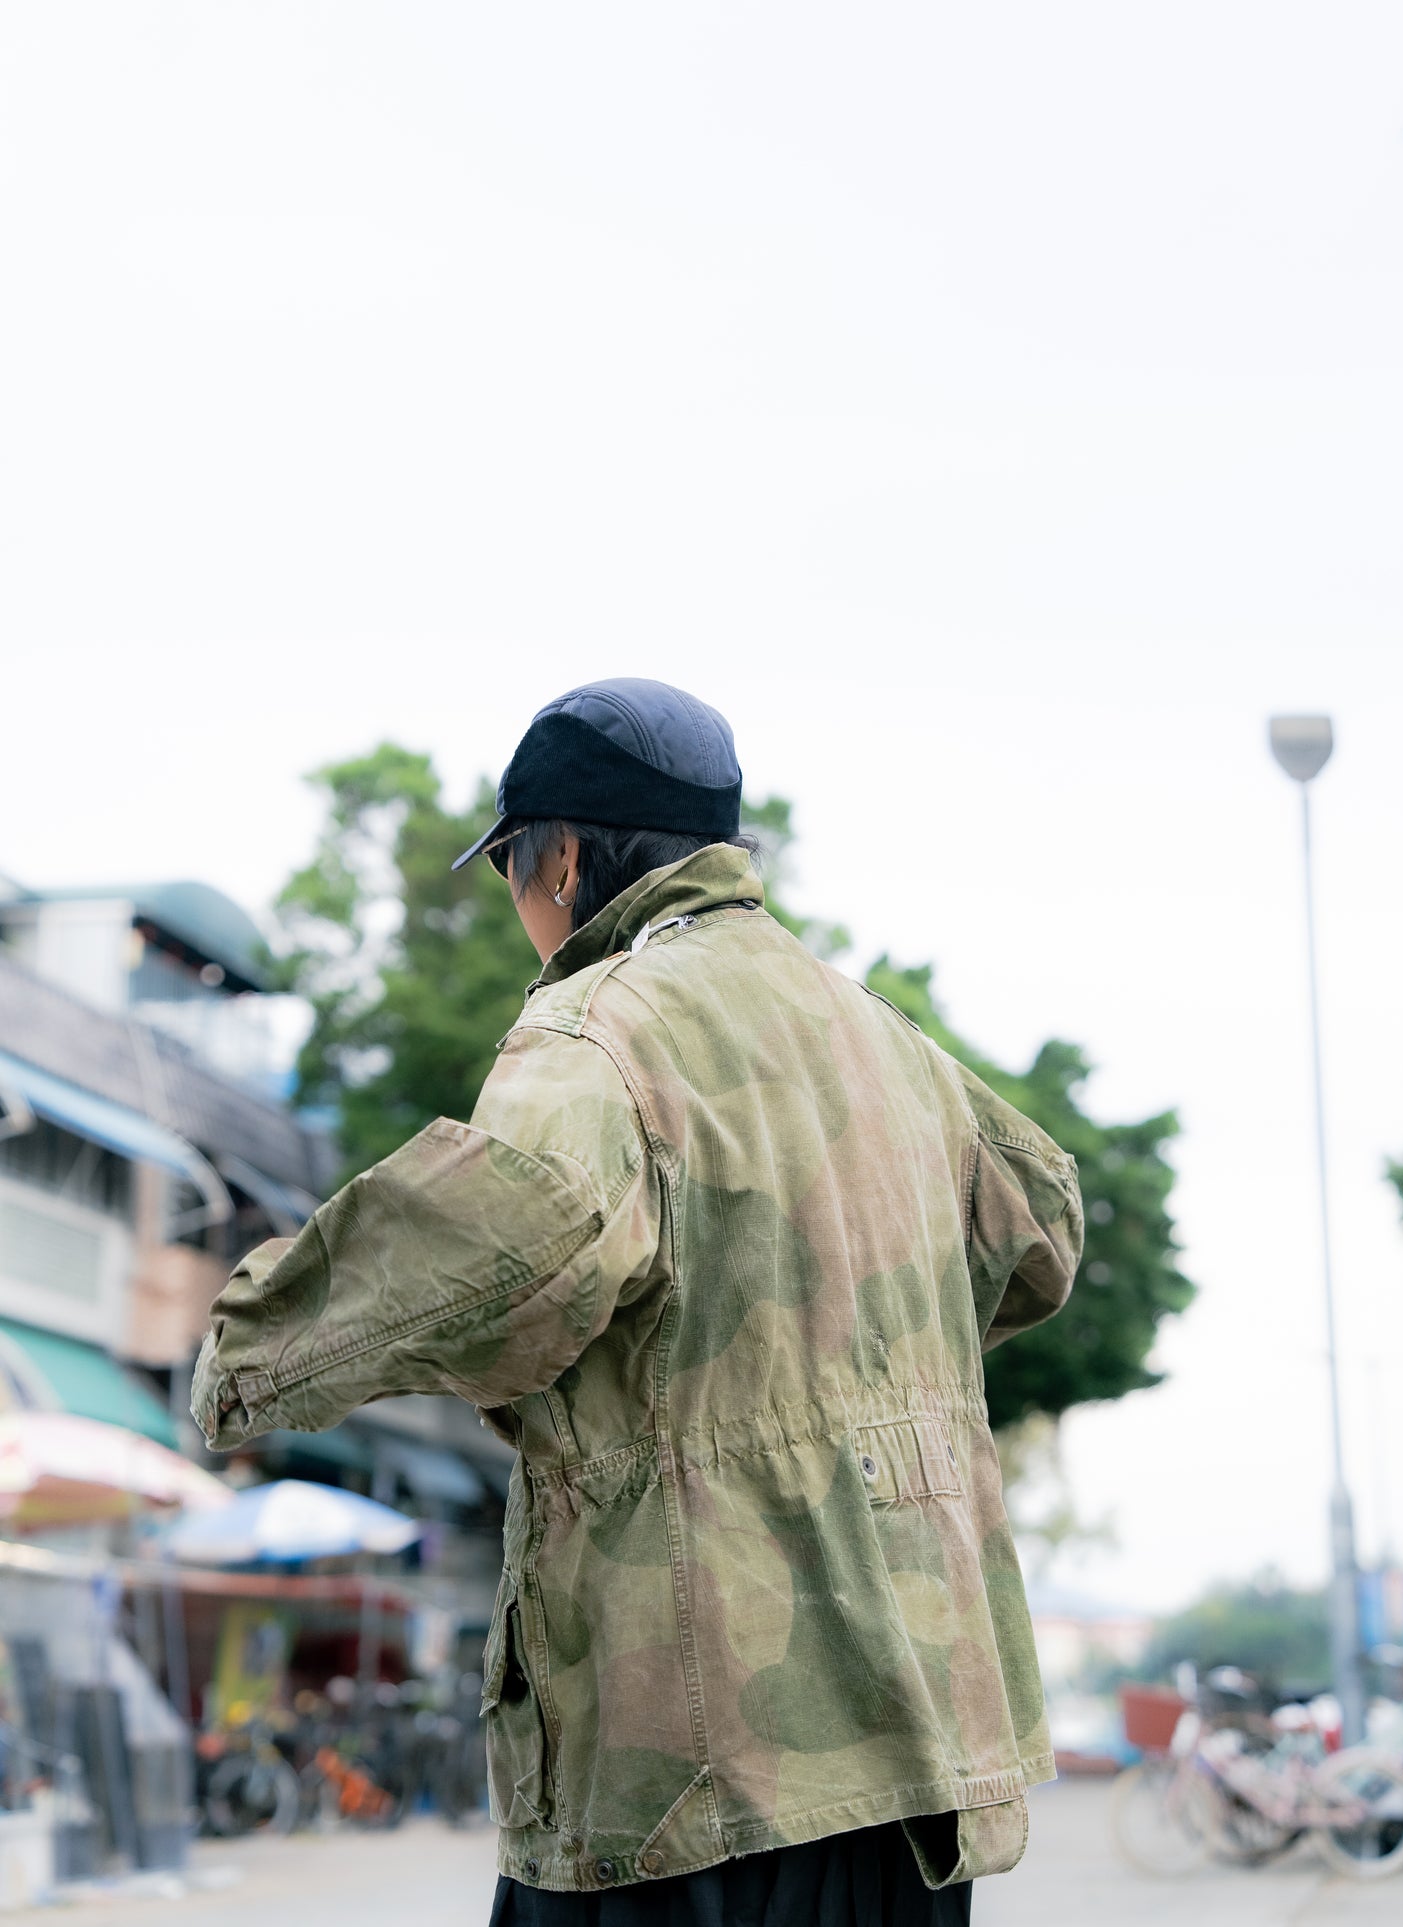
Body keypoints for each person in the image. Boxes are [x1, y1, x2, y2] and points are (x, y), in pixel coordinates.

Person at [192, 678, 1084, 1925]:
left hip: (692, 1776)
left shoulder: (600, 1030)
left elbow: (502, 1234)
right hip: (915, 1764)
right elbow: (1042, 1224)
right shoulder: (888, 1041)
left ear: (558, 858)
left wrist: (245, 1351)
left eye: (509, 867)